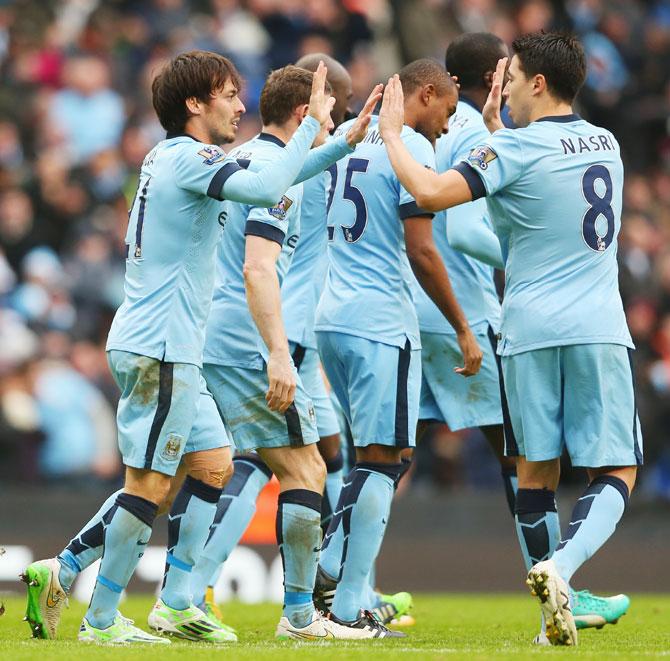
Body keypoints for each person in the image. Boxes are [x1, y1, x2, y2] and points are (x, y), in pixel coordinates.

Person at [20, 50, 360, 645]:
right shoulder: (193, 159)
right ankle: (100, 619)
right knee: (149, 485)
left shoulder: (169, 158)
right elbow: (264, 185)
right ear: (194, 104)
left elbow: (275, 177)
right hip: (163, 347)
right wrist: (312, 126)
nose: (238, 106)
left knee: (212, 463)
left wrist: (341, 140)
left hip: (169, 346)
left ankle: (155, 597)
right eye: (227, 95)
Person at [379, 33, 640, 647]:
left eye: (514, 78)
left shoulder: (514, 150)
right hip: (597, 325)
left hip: (524, 330)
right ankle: (565, 574)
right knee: (618, 468)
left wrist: (394, 136)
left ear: (539, 84)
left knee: (534, 473)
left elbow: (432, 194)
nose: (507, 89)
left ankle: (558, 589)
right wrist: (500, 132)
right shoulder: (608, 144)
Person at [194, 64, 383, 640]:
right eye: (331, 110)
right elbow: (259, 266)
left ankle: (78, 568)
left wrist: (345, 140)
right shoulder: (279, 179)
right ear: (307, 114)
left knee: (176, 470)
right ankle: (303, 612)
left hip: (221, 331)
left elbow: (292, 167)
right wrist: (280, 351)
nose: (338, 119)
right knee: (304, 465)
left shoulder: (248, 161)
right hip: (262, 337)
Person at [313, 58, 482, 637]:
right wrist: (461, 325)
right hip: (381, 320)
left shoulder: (346, 135)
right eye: (447, 112)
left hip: (331, 317)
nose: (445, 126)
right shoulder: (408, 148)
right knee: (385, 462)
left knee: (378, 460)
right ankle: (345, 601)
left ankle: (330, 573)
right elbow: (423, 250)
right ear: (427, 94)